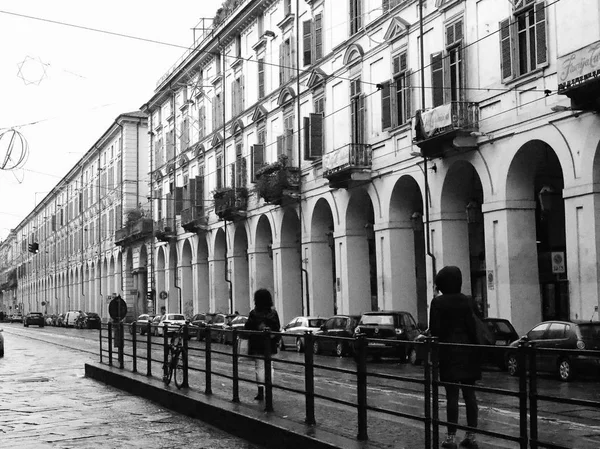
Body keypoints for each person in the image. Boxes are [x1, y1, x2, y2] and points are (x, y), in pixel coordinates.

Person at [429, 266, 481, 449]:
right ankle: (471, 436)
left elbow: (435, 331)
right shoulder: (468, 301)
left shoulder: (438, 303)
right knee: (469, 395)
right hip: (468, 352)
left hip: (449, 352)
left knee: (452, 396)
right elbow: (474, 327)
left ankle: (451, 438)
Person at [244, 288, 281, 401]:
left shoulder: (253, 313)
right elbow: (277, 328)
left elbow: (247, 328)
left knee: (259, 367)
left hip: (257, 343)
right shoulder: (273, 313)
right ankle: (269, 389)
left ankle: (260, 392)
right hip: (270, 343)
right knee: (270, 366)